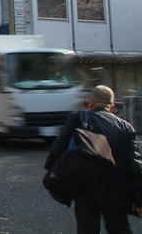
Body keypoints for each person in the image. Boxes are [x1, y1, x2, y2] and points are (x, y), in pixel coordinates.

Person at [45, 85, 142, 234]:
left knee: (86, 230)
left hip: (84, 186)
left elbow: (58, 147)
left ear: (91, 103)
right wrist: (138, 198)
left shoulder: (77, 118)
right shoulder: (126, 127)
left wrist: (51, 169)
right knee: (120, 229)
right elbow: (134, 166)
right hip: (115, 189)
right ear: (112, 107)